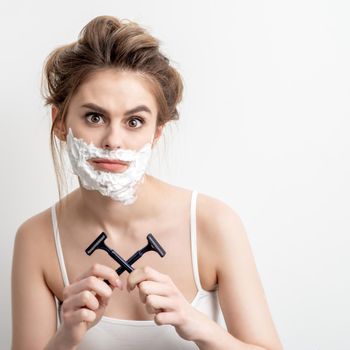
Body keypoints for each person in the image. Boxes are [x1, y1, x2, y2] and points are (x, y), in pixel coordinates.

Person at [11, 15, 283, 350]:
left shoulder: (214, 224)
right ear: (61, 123)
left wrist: (197, 325)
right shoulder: (36, 239)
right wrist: (66, 336)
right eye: (94, 117)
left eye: (134, 121)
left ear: (156, 132)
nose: (113, 140)